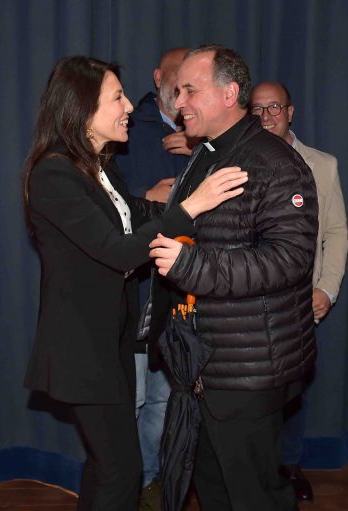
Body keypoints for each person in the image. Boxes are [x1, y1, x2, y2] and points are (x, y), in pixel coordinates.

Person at [21, 56, 247, 511]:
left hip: (112, 342)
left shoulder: (97, 166)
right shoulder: (54, 173)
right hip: (82, 350)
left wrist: (189, 198)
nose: (129, 106)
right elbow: (119, 251)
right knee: (121, 472)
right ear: (82, 108)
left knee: (107, 468)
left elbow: (136, 214)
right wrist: (192, 206)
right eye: (117, 97)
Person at [146, 44, 318, 510]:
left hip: (249, 370)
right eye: (178, 90)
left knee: (253, 495)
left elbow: (289, 259)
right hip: (205, 363)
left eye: (190, 90)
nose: (178, 102)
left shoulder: (275, 163)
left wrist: (192, 266)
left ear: (229, 93)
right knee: (215, 488)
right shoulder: (207, 153)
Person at [250, 80, 348, 502]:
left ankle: (288, 466)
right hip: (247, 302)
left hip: (299, 304)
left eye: (275, 107)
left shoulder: (323, 165)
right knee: (251, 395)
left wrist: (327, 288)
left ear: (291, 112)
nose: (266, 116)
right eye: (258, 109)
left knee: (293, 391)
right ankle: (254, 471)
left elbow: (336, 232)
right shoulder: (236, 161)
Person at [116, 47, 194, 510]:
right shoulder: (129, 128)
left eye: (190, 77)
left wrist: (200, 150)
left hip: (183, 294)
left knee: (165, 401)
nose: (182, 85)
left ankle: (151, 480)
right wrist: (147, 195)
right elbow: (102, 201)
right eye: (176, 75)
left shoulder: (205, 132)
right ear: (158, 77)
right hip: (135, 289)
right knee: (135, 399)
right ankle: (125, 485)